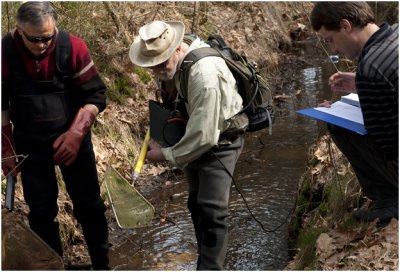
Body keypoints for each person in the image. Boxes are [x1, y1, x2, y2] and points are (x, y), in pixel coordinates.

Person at [129, 20, 247, 270]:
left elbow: (204, 136)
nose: (157, 70)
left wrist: (165, 155)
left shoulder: (205, 75)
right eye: (152, 66)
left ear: (177, 49)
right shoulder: (173, 66)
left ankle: (210, 267)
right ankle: (204, 261)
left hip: (222, 140)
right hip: (194, 136)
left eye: (160, 64)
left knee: (212, 211)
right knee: (196, 204)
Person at [1, 2, 109, 269]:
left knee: (91, 208)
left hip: (73, 141)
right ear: (19, 30)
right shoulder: (4, 53)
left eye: (47, 38)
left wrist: (76, 133)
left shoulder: (73, 47)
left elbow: (96, 96)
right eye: (34, 39)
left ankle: (102, 265)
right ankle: (52, 266)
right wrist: (6, 150)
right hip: (30, 146)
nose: (41, 45)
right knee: (40, 213)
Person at [310, 2, 398, 222]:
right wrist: (360, 84)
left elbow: (385, 144)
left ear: (346, 25)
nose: (333, 49)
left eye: (330, 39)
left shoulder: (371, 67)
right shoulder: (395, 34)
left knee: (337, 124)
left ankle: (390, 200)